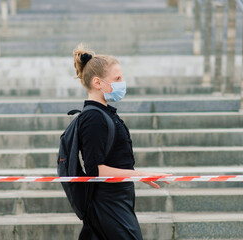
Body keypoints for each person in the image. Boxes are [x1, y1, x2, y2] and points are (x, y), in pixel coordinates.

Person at [73, 43, 172, 240]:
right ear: (97, 83)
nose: (122, 83)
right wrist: (140, 174)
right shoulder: (94, 118)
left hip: (117, 199)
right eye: (117, 79)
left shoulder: (104, 114)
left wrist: (136, 176)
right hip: (107, 203)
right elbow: (95, 170)